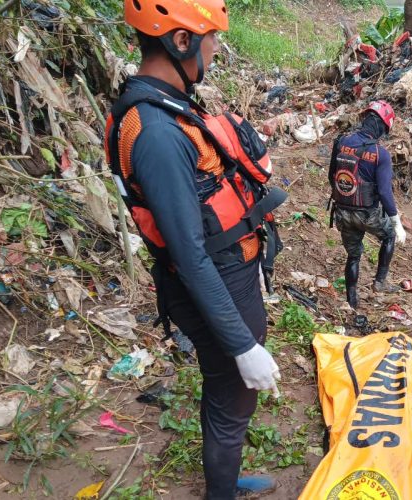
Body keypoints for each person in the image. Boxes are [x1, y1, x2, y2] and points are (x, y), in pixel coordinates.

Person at [105, 0, 286, 497]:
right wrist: (243, 345)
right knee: (233, 395)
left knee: (225, 392)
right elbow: (188, 252)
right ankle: (222, 493)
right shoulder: (157, 133)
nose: (217, 49)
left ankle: (222, 482)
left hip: (228, 270)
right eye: (211, 39)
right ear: (180, 41)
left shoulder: (167, 104)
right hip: (213, 280)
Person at [329, 101, 407, 309]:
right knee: (389, 236)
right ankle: (379, 282)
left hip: (343, 211)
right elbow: (384, 191)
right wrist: (396, 222)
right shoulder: (380, 154)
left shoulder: (341, 142)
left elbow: (332, 177)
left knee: (353, 256)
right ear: (382, 126)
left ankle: (352, 301)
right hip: (368, 213)